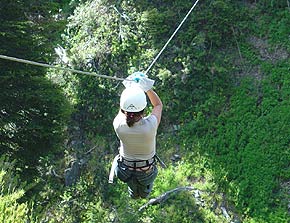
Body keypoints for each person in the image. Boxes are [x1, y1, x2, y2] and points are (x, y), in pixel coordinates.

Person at [109, 73, 163, 199]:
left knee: (132, 187)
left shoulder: (118, 124)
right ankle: (143, 194)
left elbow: (123, 108)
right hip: (145, 171)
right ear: (143, 110)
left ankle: (133, 193)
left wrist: (130, 88)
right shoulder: (150, 126)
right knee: (145, 191)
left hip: (124, 170)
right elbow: (158, 105)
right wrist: (147, 88)